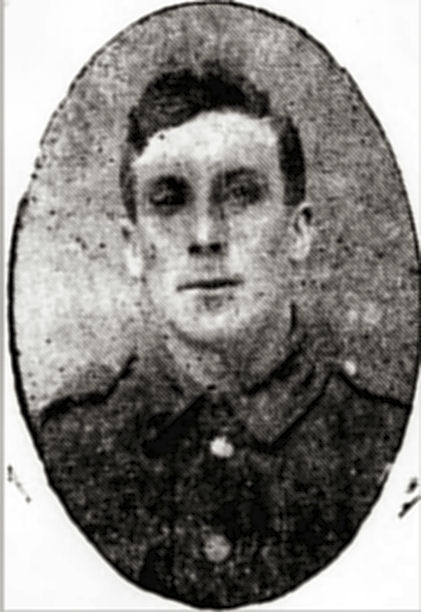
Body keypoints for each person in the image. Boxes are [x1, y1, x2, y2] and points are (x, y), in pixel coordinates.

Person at [35, 66, 411, 609]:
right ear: (134, 248)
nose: (206, 236)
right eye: (169, 201)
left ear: (298, 232)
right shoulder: (66, 450)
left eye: (240, 195)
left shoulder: (387, 444)